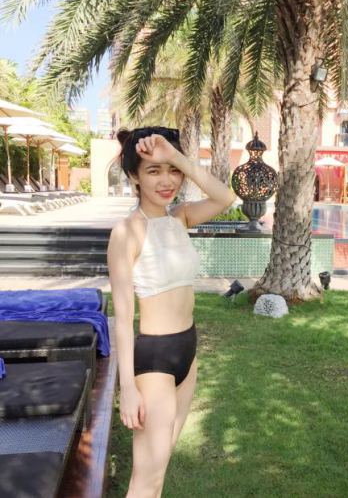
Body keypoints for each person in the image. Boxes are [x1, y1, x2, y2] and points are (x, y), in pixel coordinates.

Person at [107, 126, 236, 497]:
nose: (167, 181)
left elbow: (226, 197)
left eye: (173, 171)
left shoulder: (180, 217)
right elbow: (123, 317)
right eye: (153, 171)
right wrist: (128, 389)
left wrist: (176, 156)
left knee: (158, 475)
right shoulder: (127, 233)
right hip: (155, 361)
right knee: (145, 480)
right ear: (134, 176)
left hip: (187, 351)